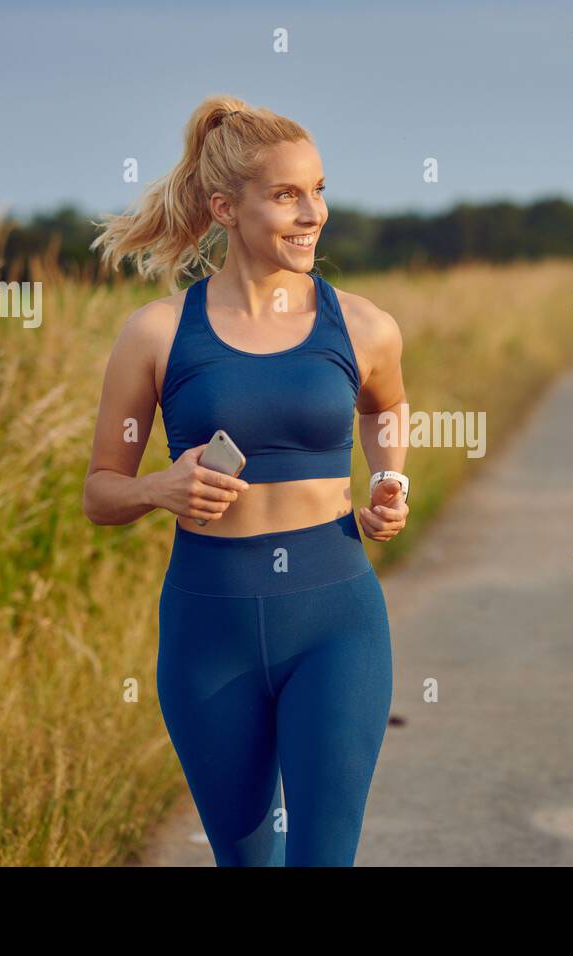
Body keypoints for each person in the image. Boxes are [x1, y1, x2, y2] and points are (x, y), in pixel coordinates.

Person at [82, 95, 410, 866]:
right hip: (209, 629)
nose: (313, 214)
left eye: (319, 190)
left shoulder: (362, 326)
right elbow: (101, 492)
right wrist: (157, 488)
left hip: (336, 621)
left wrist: (391, 478)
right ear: (225, 207)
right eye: (288, 195)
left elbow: (388, 406)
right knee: (247, 861)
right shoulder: (158, 334)